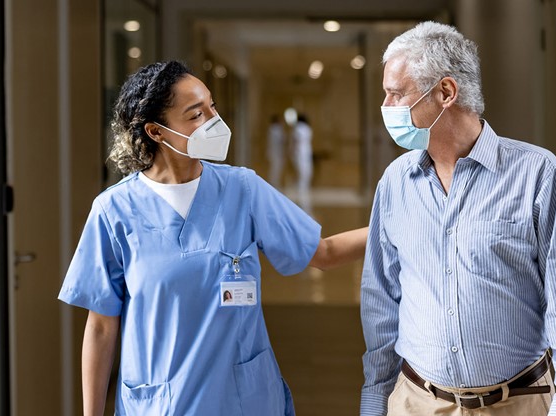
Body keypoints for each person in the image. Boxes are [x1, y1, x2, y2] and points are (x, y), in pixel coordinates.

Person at [58, 60, 367, 416]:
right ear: (156, 132)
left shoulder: (242, 189)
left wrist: (400, 222)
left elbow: (324, 253)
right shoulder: (114, 211)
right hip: (161, 403)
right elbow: (100, 326)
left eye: (212, 107)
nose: (214, 122)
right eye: (195, 115)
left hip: (243, 400)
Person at [360, 21, 556, 416]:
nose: (386, 108)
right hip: (415, 402)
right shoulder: (395, 183)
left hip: (519, 403)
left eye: (395, 94)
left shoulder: (536, 174)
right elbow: (381, 304)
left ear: (445, 92)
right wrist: (374, 401)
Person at [290, 114, 313, 213]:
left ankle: (302, 190)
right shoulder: (304, 128)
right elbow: (297, 141)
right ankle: (301, 191)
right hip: (302, 153)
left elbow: (295, 141)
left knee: (303, 172)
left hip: (301, 153)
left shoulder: (299, 128)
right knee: (305, 172)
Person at [267, 114, 286, 188]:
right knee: (275, 169)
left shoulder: (273, 129)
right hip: (276, 152)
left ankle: (274, 182)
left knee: (275, 168)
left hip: (276, 152)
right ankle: (274, 183)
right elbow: (281, 140)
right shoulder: (275, 129)